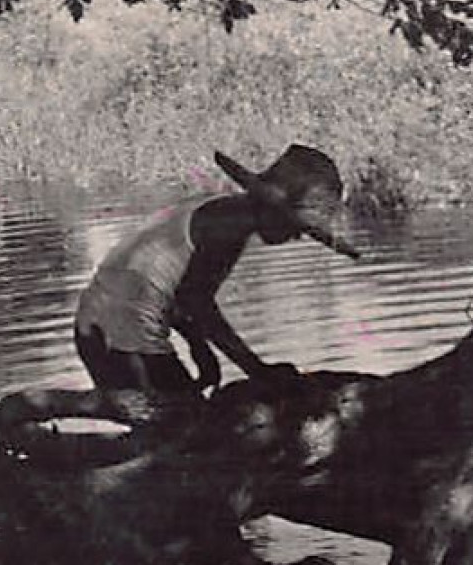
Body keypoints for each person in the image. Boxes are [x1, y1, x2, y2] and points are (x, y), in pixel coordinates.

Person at [71, 143, 360, 399]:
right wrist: (254, 368)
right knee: (183, 433)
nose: (296, 237)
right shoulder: (227, 229)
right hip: (121, 338)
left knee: (182, 426)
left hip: (99, 326)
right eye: (295, 226)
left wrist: (201, 349)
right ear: (272, 210)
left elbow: (176, 290)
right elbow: (196, 302)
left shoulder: (220, 210)